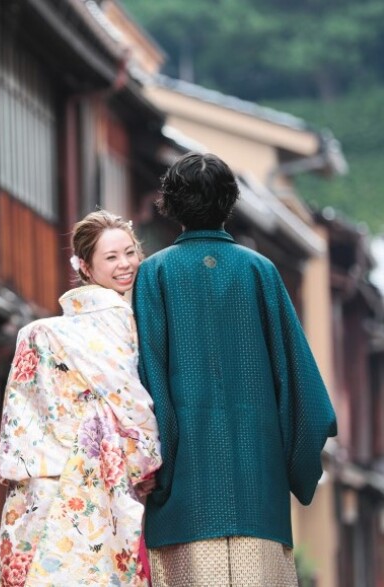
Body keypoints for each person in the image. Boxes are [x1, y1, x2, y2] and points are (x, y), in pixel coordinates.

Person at [132, 152, 338, 587]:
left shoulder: (154, 274)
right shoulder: (260, 271)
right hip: (257, 487)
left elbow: (148, 383)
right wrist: (290, 467)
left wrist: (159, 473)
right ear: (230, 201)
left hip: (185, 490)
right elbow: (301, 388)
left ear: (170, 203)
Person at [0, 210, 162, 587]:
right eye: (111, 257)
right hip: (102, 471)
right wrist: (147, 461)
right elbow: (130, 400)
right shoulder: (118, 320)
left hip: (46, 475)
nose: (125, 264)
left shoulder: (41, 333)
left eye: (130, 252)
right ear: (85, 266)